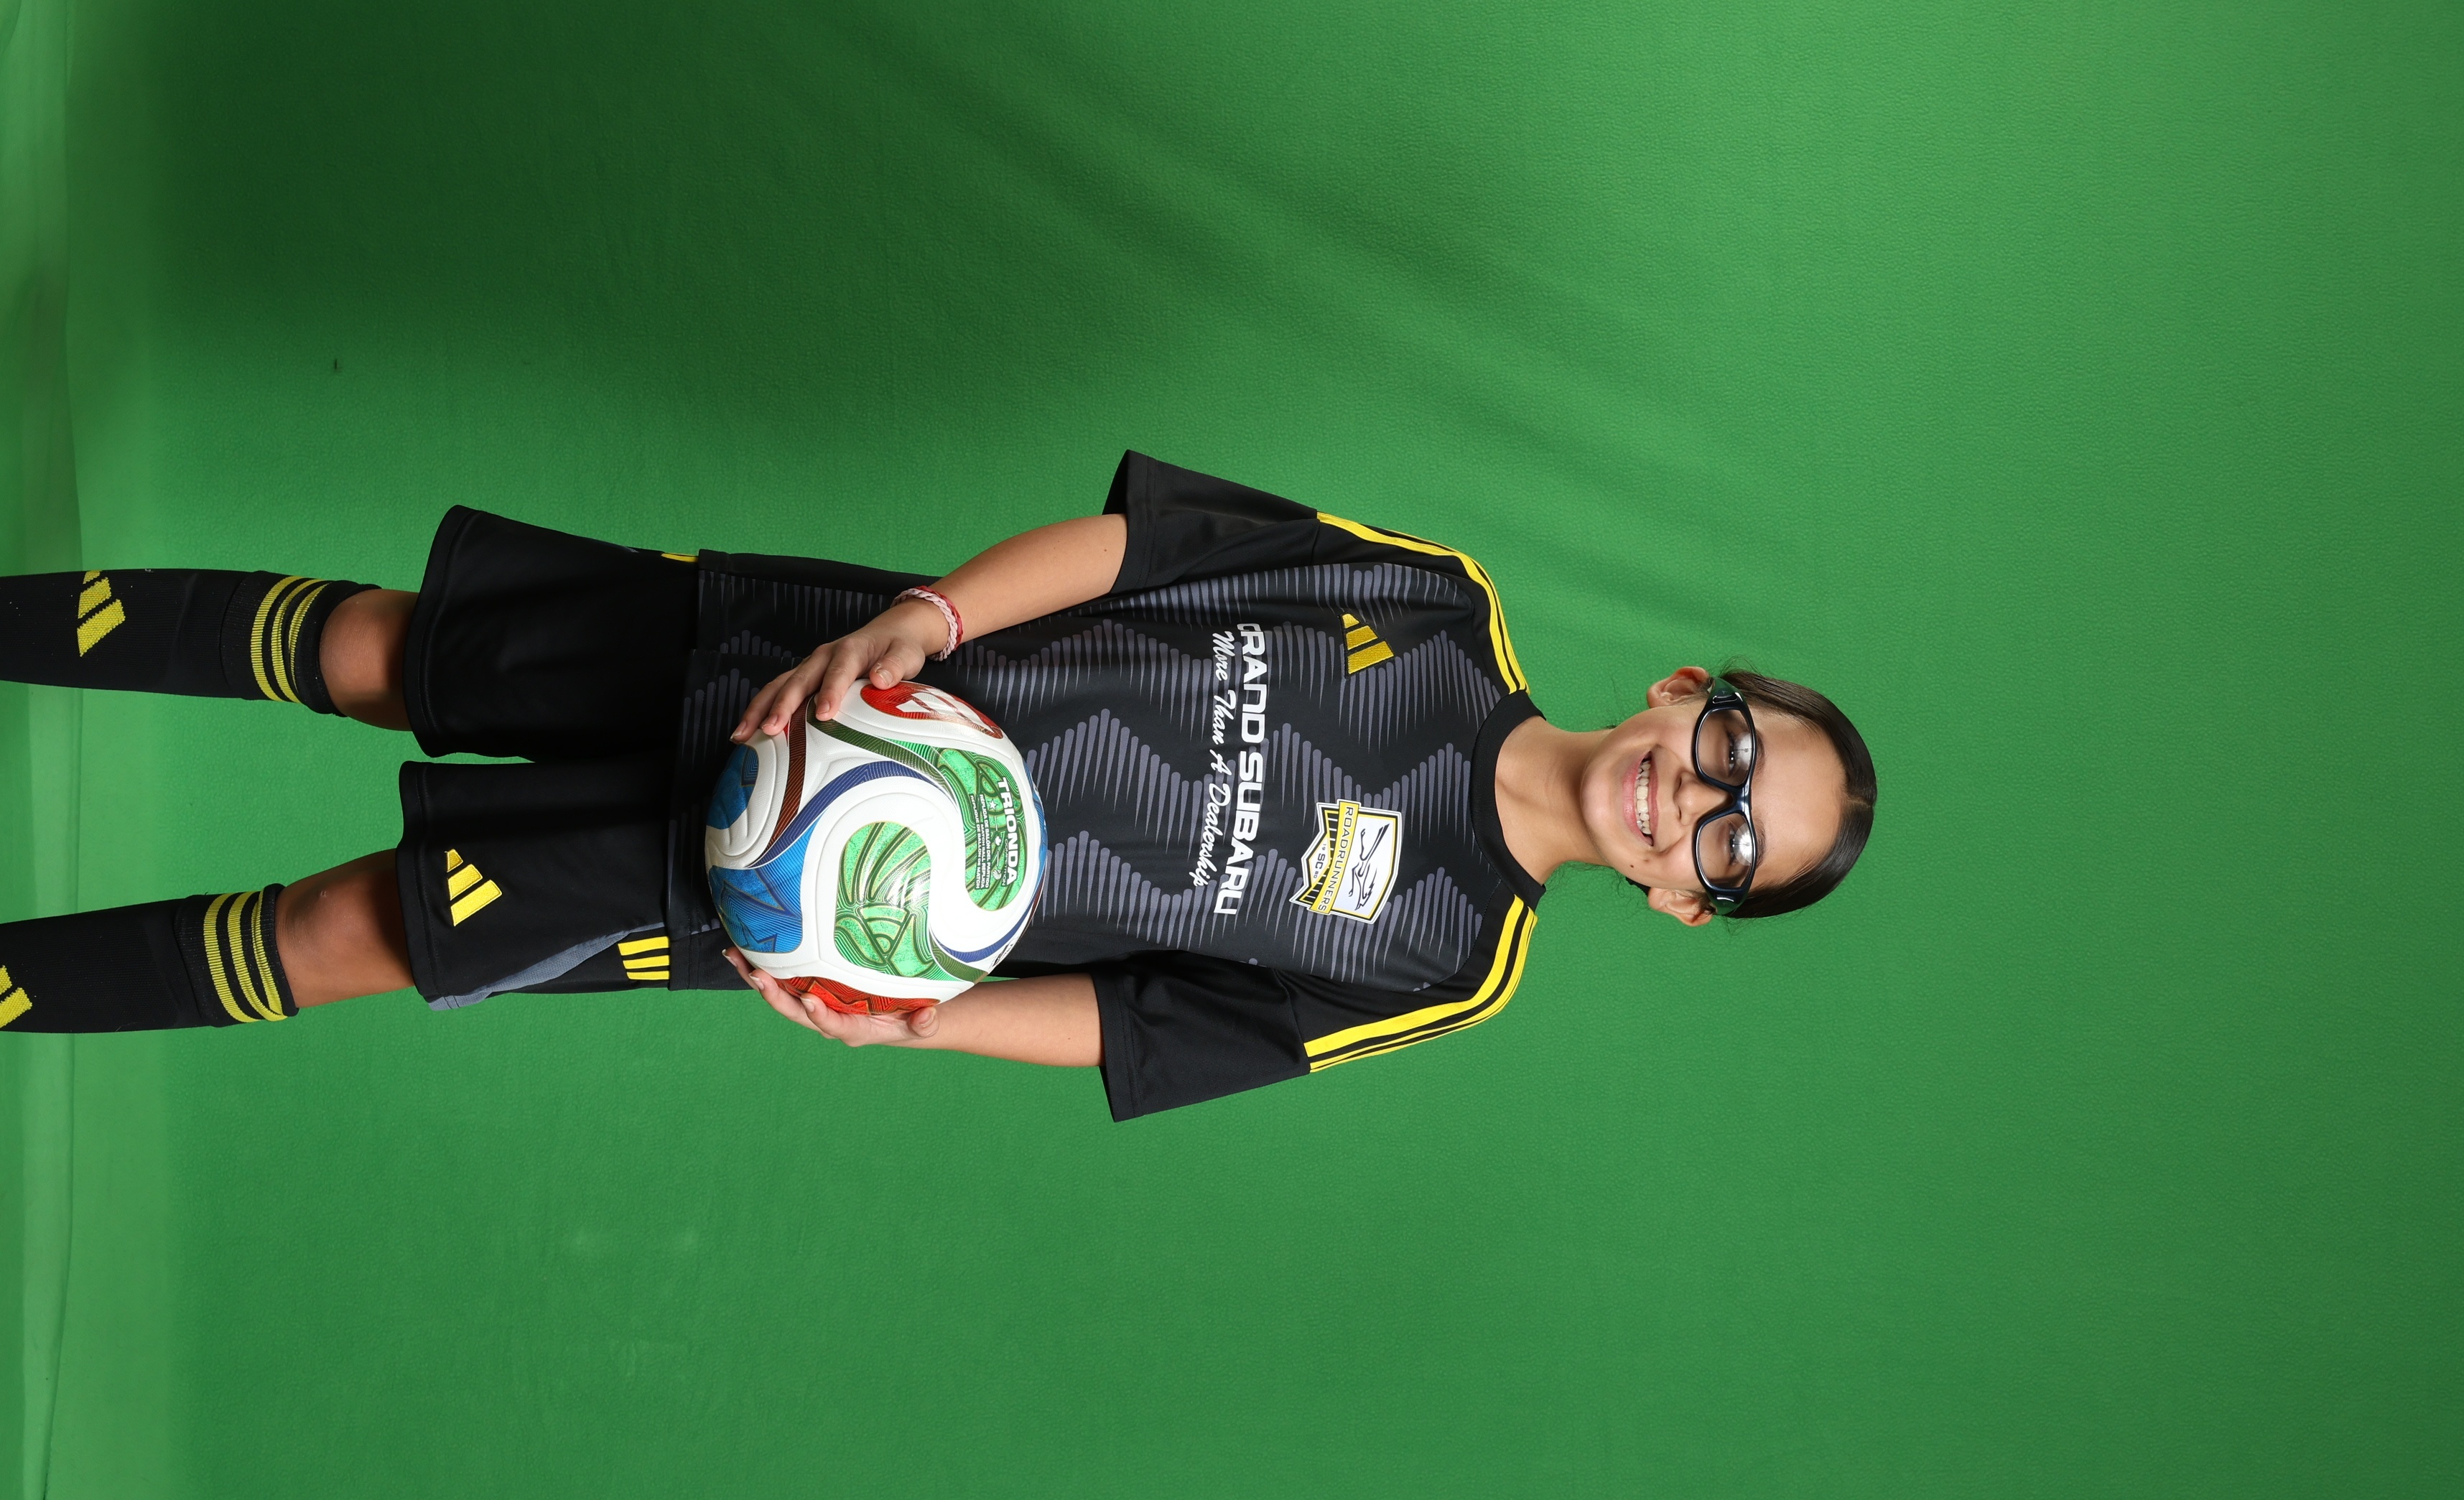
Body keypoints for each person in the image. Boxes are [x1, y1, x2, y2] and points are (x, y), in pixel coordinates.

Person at [0, 455, 1877, 1117]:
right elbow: (1145, 554)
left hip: (792, 890)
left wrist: (906, 1019)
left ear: (1685, 902)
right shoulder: (1437, 603)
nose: (1691, 798)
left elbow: (1140, 1028)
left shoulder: (1449, 961)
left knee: (354, 929)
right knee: (393, 650)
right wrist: (928, 615)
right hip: (816, 662)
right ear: (1687, 689)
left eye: (1731, 843)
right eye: (1732, 751)